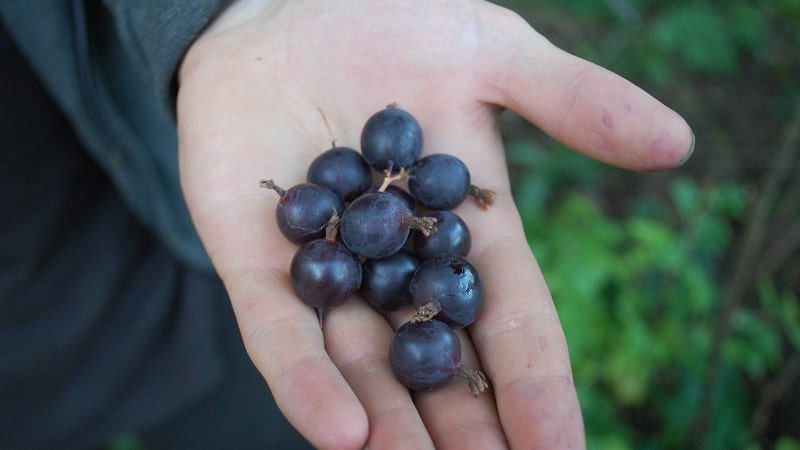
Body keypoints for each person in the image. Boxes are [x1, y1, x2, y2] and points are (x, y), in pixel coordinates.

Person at [0, 1, 694, 449]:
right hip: (28, 384)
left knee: (287, 413)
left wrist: (227, 10)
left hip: (164, 269)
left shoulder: (385, 224)